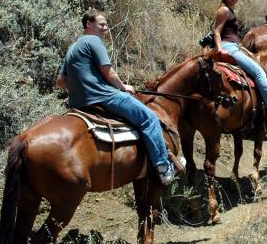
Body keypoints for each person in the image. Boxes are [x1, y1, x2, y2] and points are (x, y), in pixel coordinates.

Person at [56, 10, 179, 185]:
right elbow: (108, 72)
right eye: (101, 24)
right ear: (88, 24)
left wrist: (82, 87)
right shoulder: (94, 41)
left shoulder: (73, 47)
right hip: (104, 96)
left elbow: (61, 81)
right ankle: (163, 167)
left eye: (106, 25)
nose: (105, 29)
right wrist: (123, 87)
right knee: (149, 118)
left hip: (78, 103)